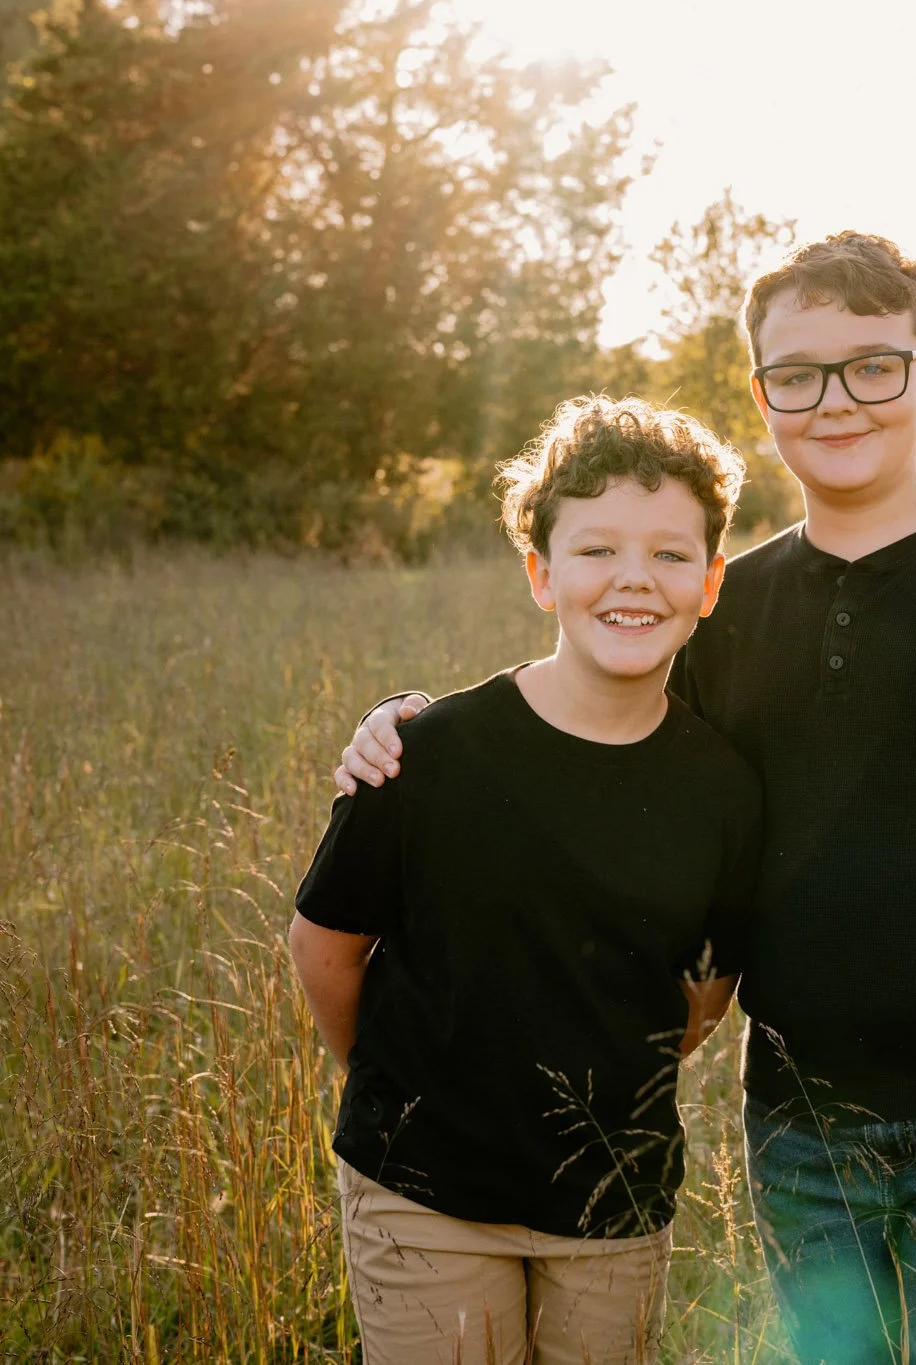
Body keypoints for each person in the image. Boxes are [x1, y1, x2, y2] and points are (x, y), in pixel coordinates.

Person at [338, 232, 916, 1364]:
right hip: (802, 1130)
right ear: (761, 393)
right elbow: (599, 719)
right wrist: (409, 723)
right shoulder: (735, 603)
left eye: (871, 366)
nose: (834, 402)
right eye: (796, 374)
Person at [288, 395, 763, 1364]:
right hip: (421, 1193)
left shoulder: (722, 788)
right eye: (595, 551)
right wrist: (390, 1086)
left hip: (611, 1200)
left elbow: (705, 995)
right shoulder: (428, 754)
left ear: (710, 584)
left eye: (670, 554)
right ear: (542, 575)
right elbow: (325, 948)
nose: (632, 581)